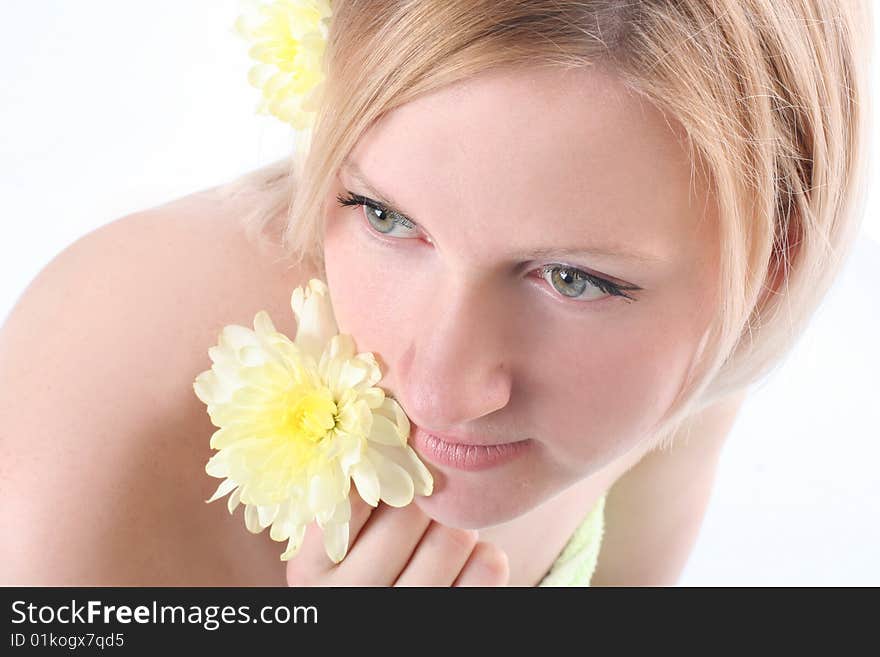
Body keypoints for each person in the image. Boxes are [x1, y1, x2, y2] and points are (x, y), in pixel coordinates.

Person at [0, 0, 871, 587]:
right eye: (384, 216)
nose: (437, 390)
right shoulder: (108, 398)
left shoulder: (696, 359)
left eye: (574, 280)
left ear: (768, 269)